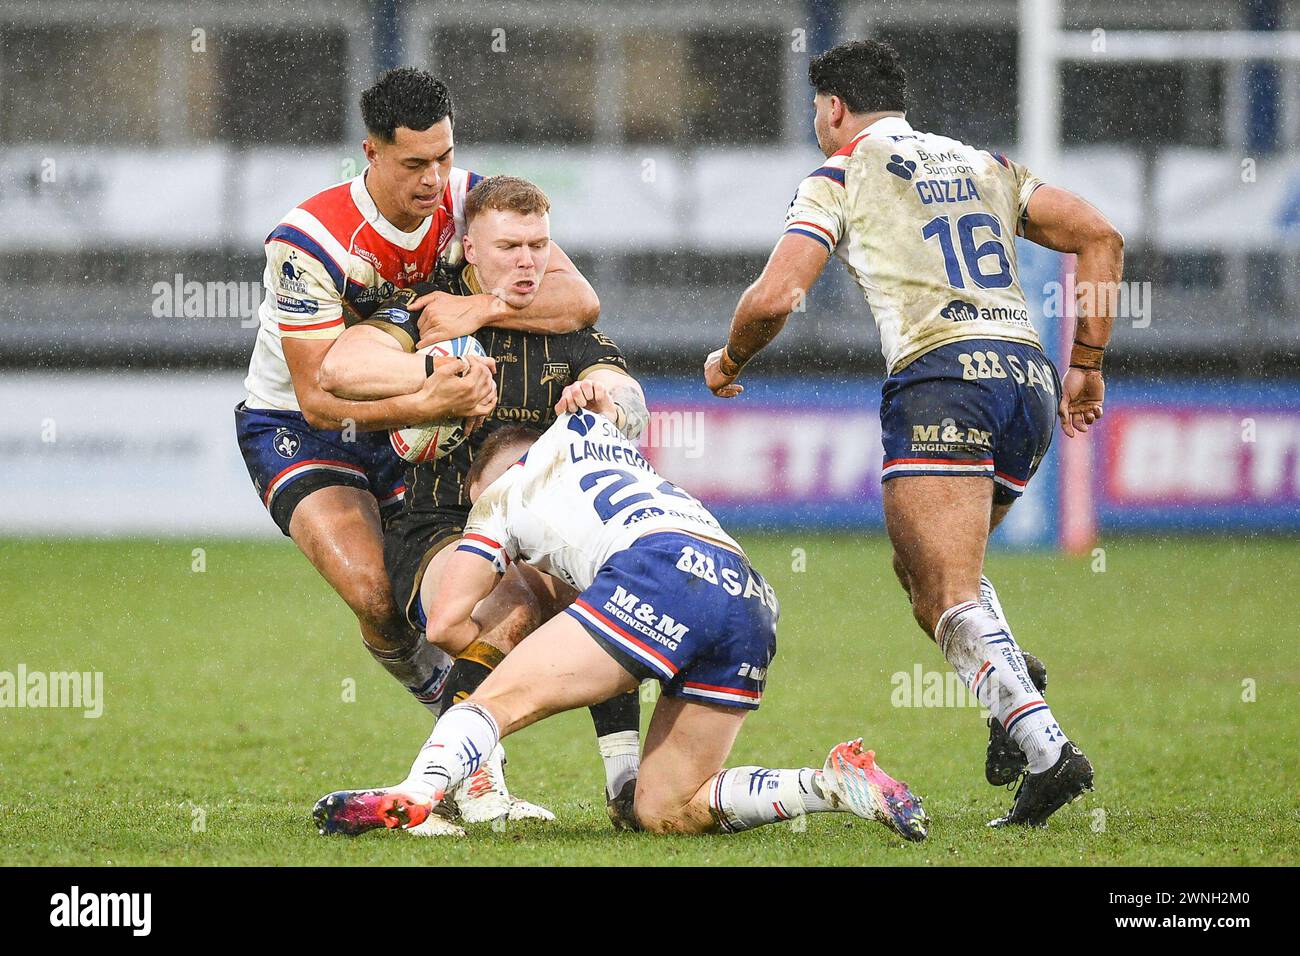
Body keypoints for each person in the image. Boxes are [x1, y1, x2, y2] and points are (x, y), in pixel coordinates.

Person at [703, 39, 1123, 827]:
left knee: (945, 592)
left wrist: (728, 360)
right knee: (924, 574)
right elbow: (1100, 234)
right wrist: (1088, 363)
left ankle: (1045, 746)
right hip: (1026, 378)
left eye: (816, 110)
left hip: (943, 378)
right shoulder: (983, 163)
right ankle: (1010, 692)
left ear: (832, 107)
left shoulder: (842, 170)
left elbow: (775, 296)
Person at [312, 384, 928, 842]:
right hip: (748, 593)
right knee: (665, 809)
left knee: (490, 706)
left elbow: (446, 623)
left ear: (481, 481)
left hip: (658, 570)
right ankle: (830, 784)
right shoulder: (601, 435)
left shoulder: (501, 495)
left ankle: (416, 793)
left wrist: (508, 652)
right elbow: (619, 397)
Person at [233, 68, 599, 830]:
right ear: (370, 152)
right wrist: (428, 398)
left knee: (489, 596)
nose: (435, 180)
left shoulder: (474, 198)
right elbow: (317, 393)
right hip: (305, 428)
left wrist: (486, 302)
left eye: (444, 157)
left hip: (426, 419)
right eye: (414, 164)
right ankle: (471, 764)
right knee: (374, 597)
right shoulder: (310, 241)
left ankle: (463, 768)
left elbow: (579, 302)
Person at [318, 176, 647, 831]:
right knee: (512, 602)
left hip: (542, 535)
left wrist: (605, 401)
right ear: (470, 247)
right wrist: (427, 383)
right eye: (509, 246)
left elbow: (628, 398)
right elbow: (340, 369)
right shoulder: (427, 315)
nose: (529, 261)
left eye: (539, 245)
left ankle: (626, 790)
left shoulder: (569, 325)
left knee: (617, 599)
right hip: (440, 529)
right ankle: (447, 786)